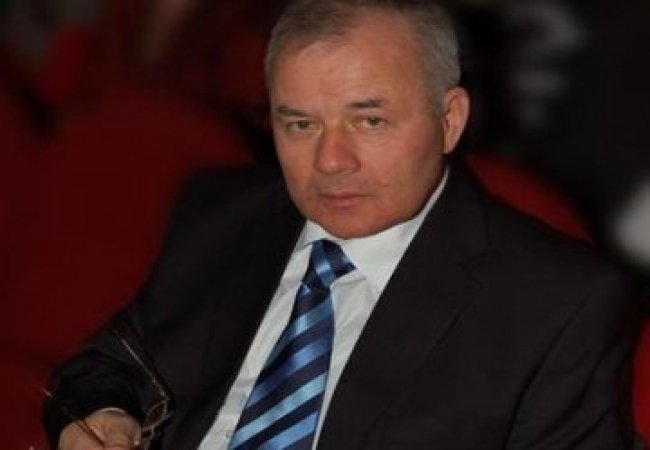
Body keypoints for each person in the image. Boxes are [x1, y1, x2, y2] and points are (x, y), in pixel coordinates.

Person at [43, 0, 641, 449]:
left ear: (450, 119)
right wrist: (106, 417)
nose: (331, 161)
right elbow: (104, 367)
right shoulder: (223, 214)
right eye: (301, 124)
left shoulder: (558, 304)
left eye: (369, 121)